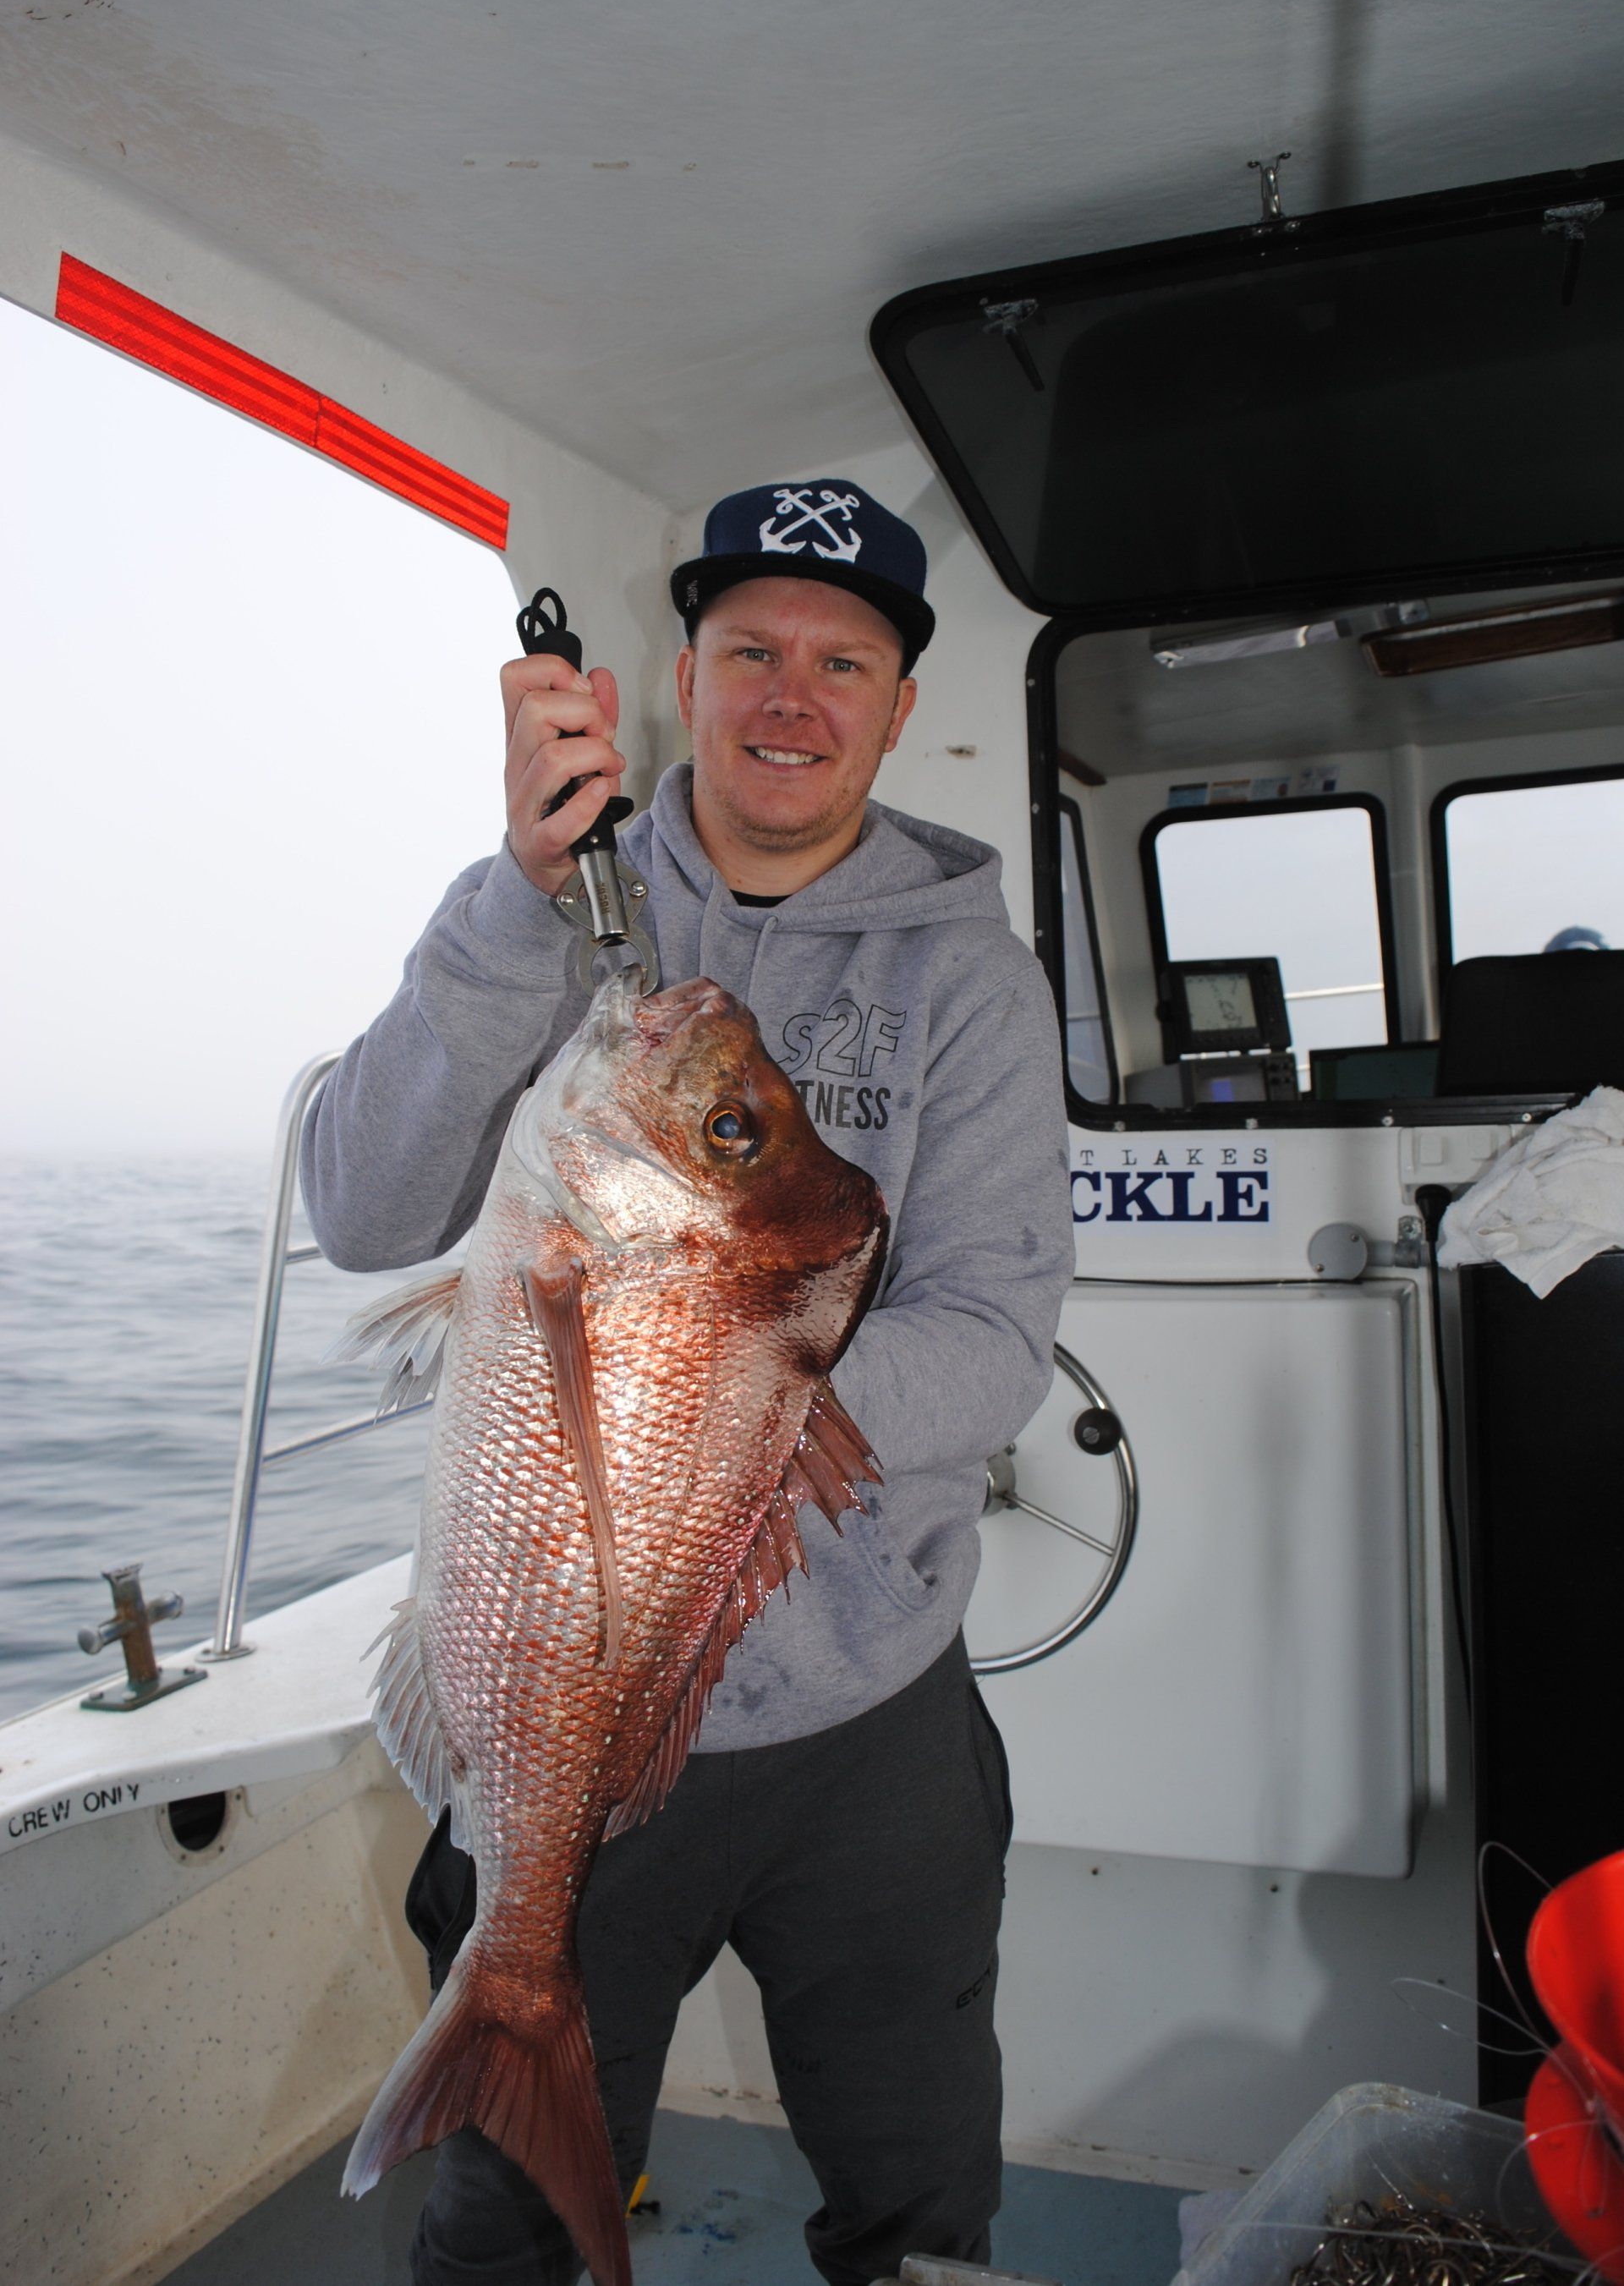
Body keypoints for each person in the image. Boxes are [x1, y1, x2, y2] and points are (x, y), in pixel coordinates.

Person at [301, 479, 1075, 2286]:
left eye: (841, 661)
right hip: (559, 1724)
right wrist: (510, 902)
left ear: (896, 707)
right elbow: (360, 1206)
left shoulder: (972, 983)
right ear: (677, 678)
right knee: (500, 2219)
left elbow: (996, 1330)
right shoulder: (543, 912)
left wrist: (736, 1417)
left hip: (872, 1717)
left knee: (921, 2191)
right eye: (750, 653)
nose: (790, 698)